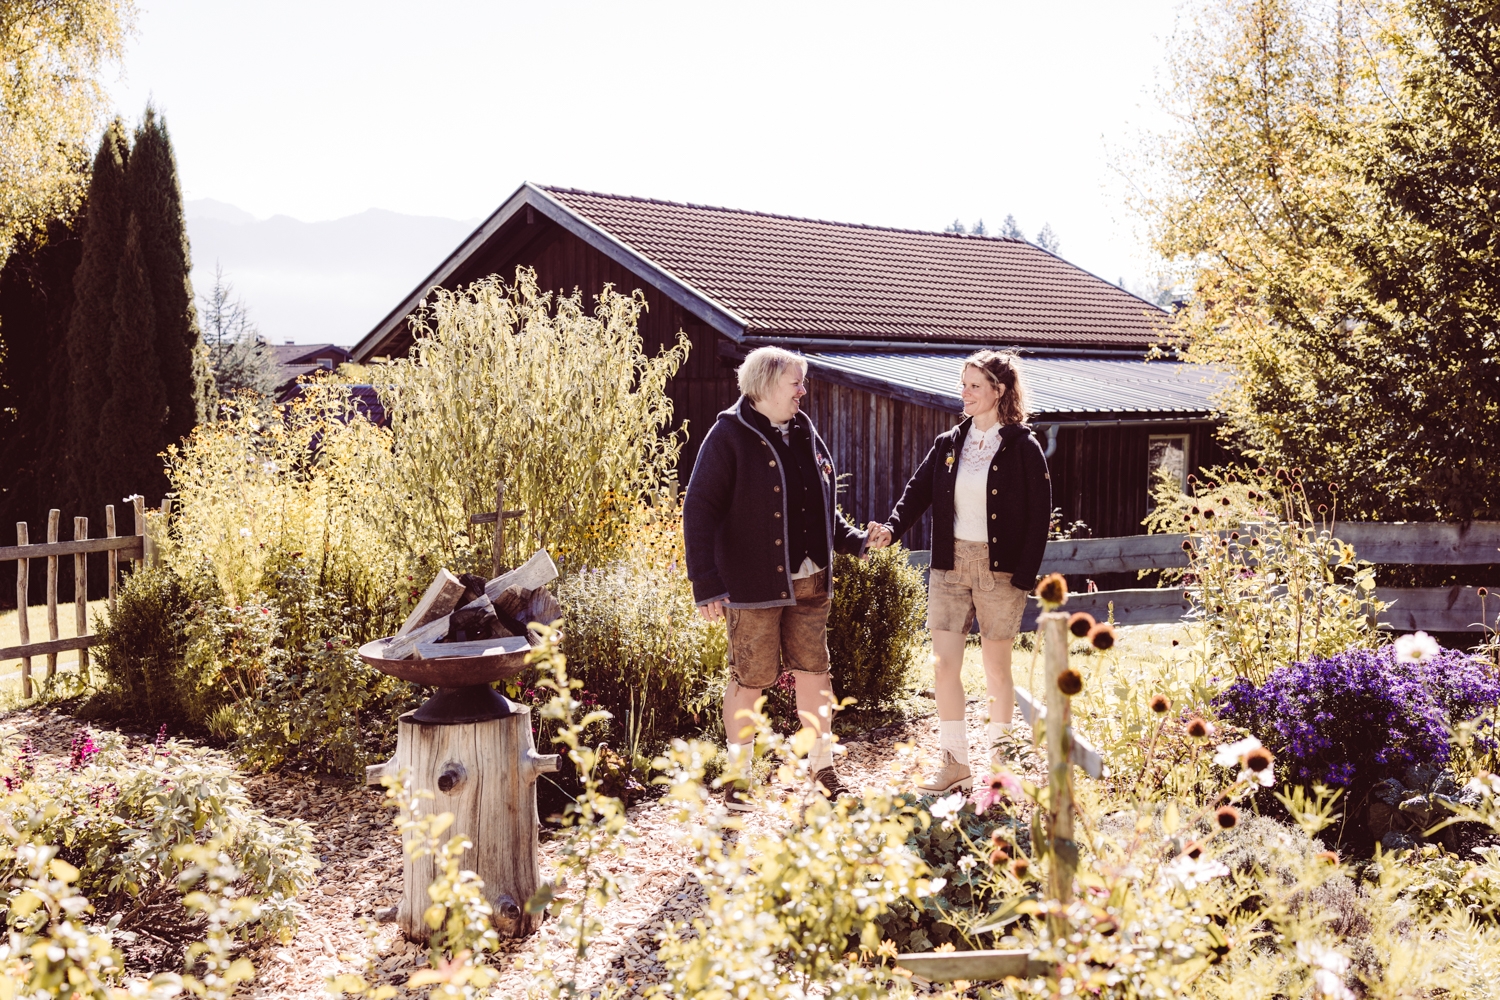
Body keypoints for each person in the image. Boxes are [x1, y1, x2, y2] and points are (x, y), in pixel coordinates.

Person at [683, 346, 869, 811]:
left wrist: (854, 539)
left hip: (810, 581)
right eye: (796, 382)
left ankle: (822, 766)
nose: (803, 391)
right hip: (753, 586)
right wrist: (705, 583)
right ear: (766, 385)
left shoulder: (804, 429)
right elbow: (698, 510)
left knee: (815, 672)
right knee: (750, 680)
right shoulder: (728, 434)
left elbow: (821, 503)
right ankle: (738, 778)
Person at [866, 350, 1050, 793]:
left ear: (998, 391)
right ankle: (954, 765)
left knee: (995, 670)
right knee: (944, 666)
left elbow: (1039, 516)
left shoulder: (1024, 447)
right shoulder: (949, 443)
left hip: (1000, 571)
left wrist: (1024, 577)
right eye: (963, 384)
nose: (963, 393)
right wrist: (892, 527)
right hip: (949, 566)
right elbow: (917, 492)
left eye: (974, 386)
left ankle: (1000, 771)